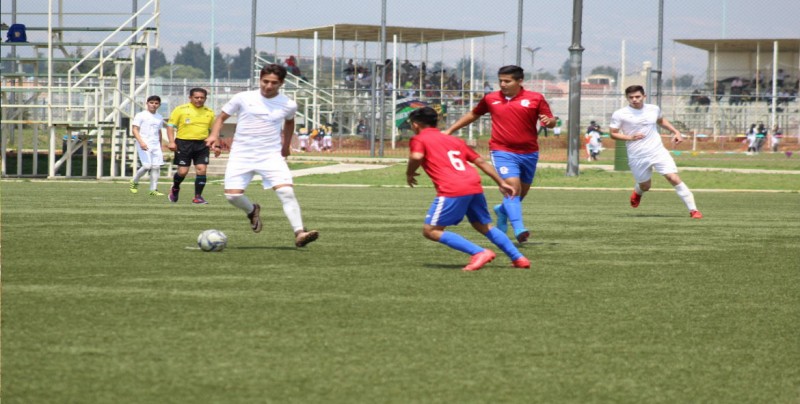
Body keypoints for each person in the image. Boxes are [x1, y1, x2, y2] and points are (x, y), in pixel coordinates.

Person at [206, 63, 319, 248]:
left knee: (286, 191)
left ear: (281, 83)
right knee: (232, 196)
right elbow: (221, 118)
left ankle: (300, 232)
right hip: (241, 154)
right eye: (265, 81)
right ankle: (252, 211)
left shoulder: (288, 104)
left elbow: (289, 123)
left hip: (270, 155)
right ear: (260, 80)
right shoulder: (243, 97)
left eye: (273, 83)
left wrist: (286, 145)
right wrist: (213, 135)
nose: (268, 86)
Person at [405, 107, 530, 271]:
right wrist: (500, 181)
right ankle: (519, 258)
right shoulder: (454, 140)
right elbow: (481, 162)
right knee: (484, 226)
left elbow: (416, 156)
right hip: (473, 184)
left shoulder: (419, 139)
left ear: (415, 125)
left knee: (431, 230)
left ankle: (479, 253)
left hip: (452, 188)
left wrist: (410, 173)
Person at [443, 65, 556, 242]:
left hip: (529, 152)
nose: (502, 84)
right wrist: (450, 130)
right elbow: (474, 114)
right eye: (500, 81)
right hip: (502, 150)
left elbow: (551, 122)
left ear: (519, 81)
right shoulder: (491, 98)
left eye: (507, 81)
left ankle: (502, 211)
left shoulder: (535, 98)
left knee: (520, 194)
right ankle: (519, 228)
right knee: (512, 189)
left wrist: (549, 121)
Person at [609, 85, 702, 219]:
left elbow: (661, 121)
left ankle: (694, 210)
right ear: (627, 98)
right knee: (646, 186)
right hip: (637, 155)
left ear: (644, 96)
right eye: (631, 97)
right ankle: (638, 191)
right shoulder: (620, 114)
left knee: (673, 177)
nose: (634, 100)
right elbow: (613, 134)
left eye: (637, 97)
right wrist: (630, 137)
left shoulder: (654, 109)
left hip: (657, 151)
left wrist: (675, 131)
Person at [166, 88, 215, 204]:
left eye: (202, 98)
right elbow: (170, 126)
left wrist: (215, 145)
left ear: (205, 98)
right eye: (196, 97)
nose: (199, 100)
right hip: (183, 143)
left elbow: (213, 131)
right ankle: (175, 187)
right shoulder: (180, 110)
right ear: (190, 98)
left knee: (202, 169)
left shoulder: (209, 112)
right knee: (183, 171)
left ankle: (198, 197)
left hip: (202, 144)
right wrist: (172, 142)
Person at [129, 95, 166, 196]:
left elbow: (159, 132)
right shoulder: (141, 115)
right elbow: (135, 129)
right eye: (151, 103)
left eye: (156, 103)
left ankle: (153, 189)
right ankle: (134, 181)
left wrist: (160, 145)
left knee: (156, 167)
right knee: (146, 166)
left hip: (155, 144)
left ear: (159, 105)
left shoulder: (159, 117)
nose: (153, 105)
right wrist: (141, 142)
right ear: (147, 103)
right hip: (144, 143)